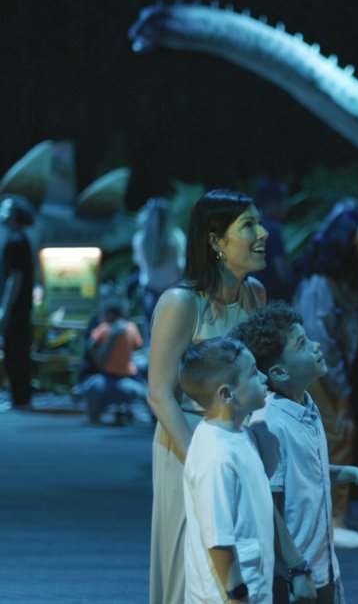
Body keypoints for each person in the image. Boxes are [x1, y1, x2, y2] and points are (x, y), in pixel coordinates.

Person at [147, 189, 271, 604]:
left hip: (242, 442)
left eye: (259, 222)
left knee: (246, 552)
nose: (263, 233)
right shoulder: (181, 302)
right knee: (192, 560)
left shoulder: (255, 295)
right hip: (188, 442)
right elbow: (159, 394)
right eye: (248, 225)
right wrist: (199, 460)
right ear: (215, 241)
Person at [232, 302, 358, 602]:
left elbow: (304, 475)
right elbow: (268, 505)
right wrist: (296, 568)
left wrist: (353, 474)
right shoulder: (271, 423)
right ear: (278, 371)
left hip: (322, 562)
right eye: (302, 344)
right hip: (295, 573)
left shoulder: (306, 404)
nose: (316, 346)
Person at [179, 336, 304, 604]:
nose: (262, 377)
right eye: (252, 372)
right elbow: (218, 541)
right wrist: (237, 596)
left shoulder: (240, 434)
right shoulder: (216, 456)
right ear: (227, 393)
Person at [293, 207, 358, 549]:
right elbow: (320, 340)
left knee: (344, 436)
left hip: (341, 370)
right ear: (347, 245)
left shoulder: (357, 280)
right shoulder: (321, 282)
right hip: (317, 372)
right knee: (338, 435)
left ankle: (339, 514)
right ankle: (332, 522)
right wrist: (344, 394)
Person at [78, 294, 146, 423]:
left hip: (105, 378)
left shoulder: (103, 328)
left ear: (109, 313)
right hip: (126, 376)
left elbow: (91, 346)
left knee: (94, 387)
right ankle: (123, 408)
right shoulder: (131, 327)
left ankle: (96, 414)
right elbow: (138, 347)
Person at [0, 194, 36, 410]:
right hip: (21, 307)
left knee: (16, 351)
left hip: (16, 308)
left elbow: (15, 277)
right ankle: (20, 397)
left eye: (4, 208)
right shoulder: (19, 238)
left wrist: (5, 307)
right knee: (17, 350)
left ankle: (20, 398)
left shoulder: (15, 241)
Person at [132, 198, 186, 340]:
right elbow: (181, 267)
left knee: (151, 336)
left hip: (150, 292)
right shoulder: (176, 238)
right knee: (173, 336)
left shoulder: (140, 239)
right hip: (171, 293)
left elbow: (139, 263)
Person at [254, 180, 293, 302]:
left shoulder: (249, 226)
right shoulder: (272, 229)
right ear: (271, 203)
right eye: (283, 204)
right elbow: (281, 271)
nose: (286, 209)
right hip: (271, 298)